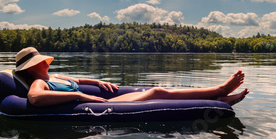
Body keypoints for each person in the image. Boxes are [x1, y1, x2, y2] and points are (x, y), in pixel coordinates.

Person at [14, 47, 249, 107]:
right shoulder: (39, 82)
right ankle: (219, 93)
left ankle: (219, 97)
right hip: (92, 107)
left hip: (94, 99)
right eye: (40, 62)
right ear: (31, 68)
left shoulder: (55, 75)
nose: (46, 63)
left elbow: (79, 80)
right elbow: (34, 98)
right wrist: (80, 95)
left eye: (44, 60)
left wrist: (96, 82)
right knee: (157, 92)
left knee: (157, 91)